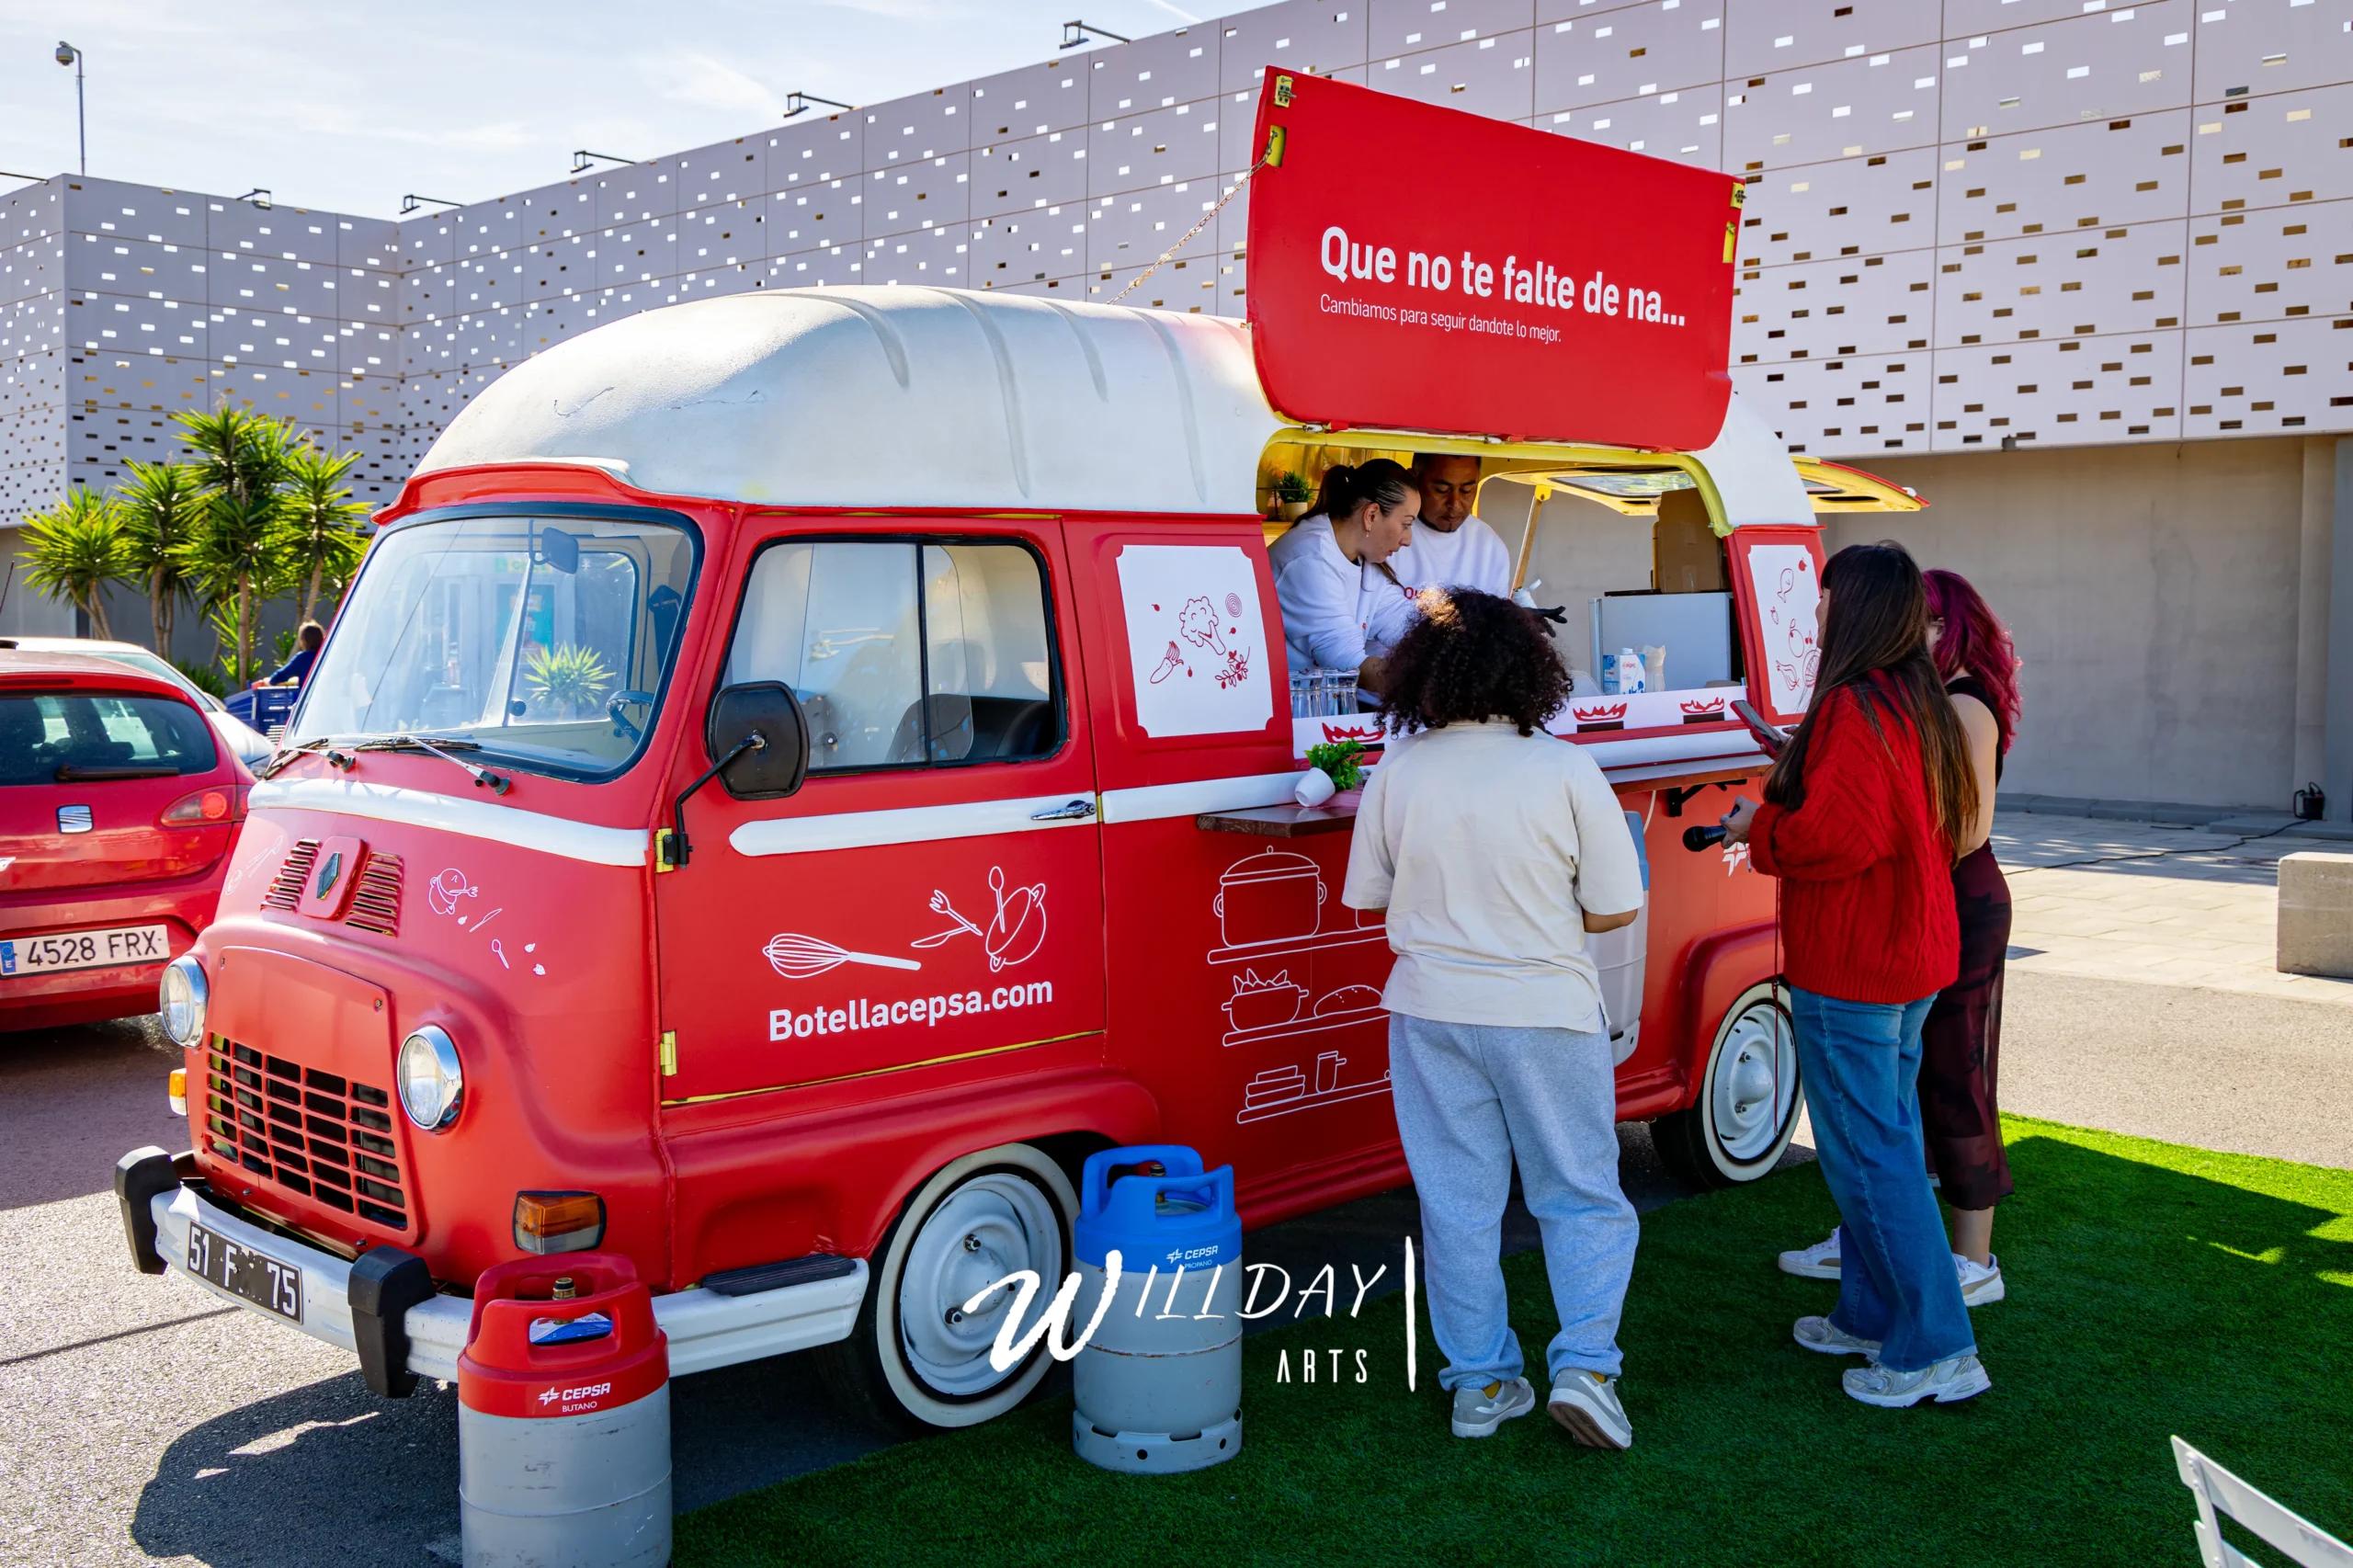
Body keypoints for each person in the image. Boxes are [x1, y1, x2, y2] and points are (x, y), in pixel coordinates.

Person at [1342, 587, 1647, 1449]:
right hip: (1545, 1009)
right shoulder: (1562, 767)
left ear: (1420, 673)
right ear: (1528, 666)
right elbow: (1616, 908)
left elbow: (1369, 899)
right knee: (1581, 1196)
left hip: (1429, 1010)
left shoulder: (1397, 768)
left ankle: (1480, 1384)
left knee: (1457, 1206)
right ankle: (1586, 1368)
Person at [1719, 541, 1990, 1409]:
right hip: (1908, 956)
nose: (1815, 615)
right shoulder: (1917, 699)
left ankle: (1940, 1346)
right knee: (1887, 1144)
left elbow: (1834, 838)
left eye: (1826, 599)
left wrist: (1755, 824)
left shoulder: (1856, 704)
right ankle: (1874, 1314)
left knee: (1872, 1156)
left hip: (1859, 962)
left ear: (1856, 609)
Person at [1775, 569, 2018, 1304]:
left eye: (1938, 623)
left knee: (1934, 1094)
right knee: (1893, 1120)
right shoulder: (1908, 700)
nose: (1928, 635)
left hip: (1918, 920)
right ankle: (1880, 1288)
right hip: (1912, 920)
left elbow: (1957, 831)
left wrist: (1776, 827)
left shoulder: (1929, 702)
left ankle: (1956, 1285)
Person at [1269, 460, 1417, 695]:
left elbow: (1408, 626)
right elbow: (1350, 662)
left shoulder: (1367, 560)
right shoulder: (1311, 557)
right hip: (1285, 714)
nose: (1407, 539)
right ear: (1371, 515)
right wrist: (1435, 688)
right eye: (1406, 525)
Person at [1359, 454, 1515, 657]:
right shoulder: (1382, 537)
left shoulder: (1490, 547)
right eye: (1442, 490)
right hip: (1377, 681)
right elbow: (1372, 620)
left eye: (1467, 490)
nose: (1455, 504)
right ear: (1413, 479)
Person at [256, 620, 325, 688]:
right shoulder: (327, 656)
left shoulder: (303, 658)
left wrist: (267, 681)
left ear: (304, 641)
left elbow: (278, 677)